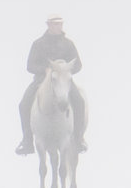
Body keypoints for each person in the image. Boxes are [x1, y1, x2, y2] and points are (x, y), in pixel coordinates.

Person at [16, 15, 87, 154]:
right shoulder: (38, 44)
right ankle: (27, 141)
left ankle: (78, 139)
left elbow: (78, 65)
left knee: (79, 101)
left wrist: (65, 70)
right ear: (48, 25)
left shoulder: (68, 44)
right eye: (55, 24)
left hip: (64, 82)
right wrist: (45, 70)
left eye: (60, 24)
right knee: (23, 104)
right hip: (41, 81)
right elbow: (30, 66)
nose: (58, 27)